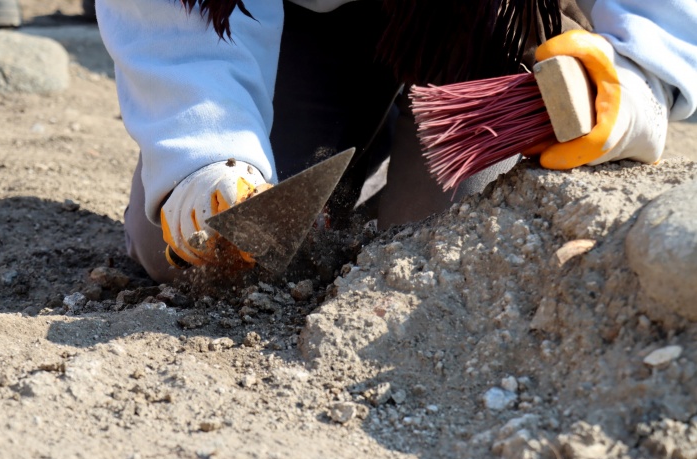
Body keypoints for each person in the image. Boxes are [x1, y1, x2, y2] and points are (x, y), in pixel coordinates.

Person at [95, 0, 697, 283]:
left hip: (482, 21)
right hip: (298, 21)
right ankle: (362, 130)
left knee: (436, 250)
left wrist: (645, 72)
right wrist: (205, 152)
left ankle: (409, 130)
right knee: (194, 256)